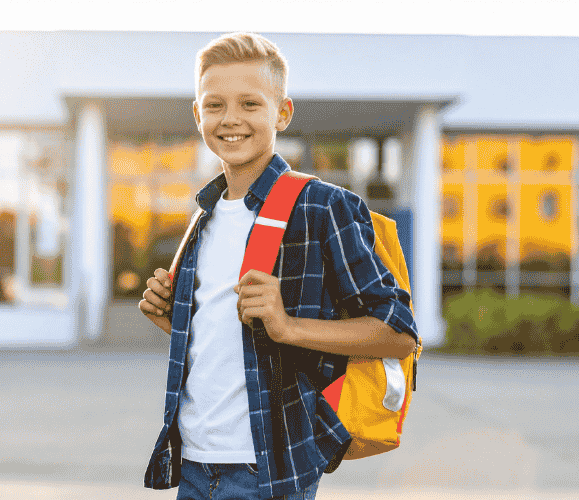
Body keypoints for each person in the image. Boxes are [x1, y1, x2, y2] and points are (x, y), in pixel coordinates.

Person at [139, 32, 418, 500]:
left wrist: (288, 326)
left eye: (250, 104)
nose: (230, 119)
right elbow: (233, 346)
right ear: (197, 115)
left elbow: (399, 332)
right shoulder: (200, 219)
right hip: (193, 464)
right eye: (215, 105)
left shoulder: (321, 207)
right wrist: (175, 321)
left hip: (266, 471)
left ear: (281, 113)